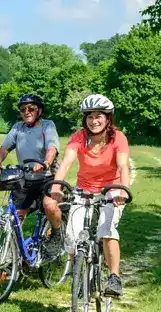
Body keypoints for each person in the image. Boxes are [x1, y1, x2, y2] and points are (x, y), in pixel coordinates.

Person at [50, 95, 131, 297]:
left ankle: (114, 278)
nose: (94, 121)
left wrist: (122, 191)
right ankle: (78, 274)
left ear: (108, 118)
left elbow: (122, 166)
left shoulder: (117, 138)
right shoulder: (79, 137)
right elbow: (67, 162)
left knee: (106, 228)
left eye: (99, 116)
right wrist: (57, 187)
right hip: (83, 188)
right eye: (90, 117)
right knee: (72, 235)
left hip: (111, 188)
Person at [0, 93, 62, 249]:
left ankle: (57, 235)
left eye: (31, 108)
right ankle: (14, 252)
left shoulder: (47, 125)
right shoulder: (18, 128)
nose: (26, 112)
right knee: (16, 216)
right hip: (25, 178)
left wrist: (45, 162)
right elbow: (4, 148)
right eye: (23, 109)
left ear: (40, 111)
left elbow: (52, 147)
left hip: (47, 177)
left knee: (49, 206)